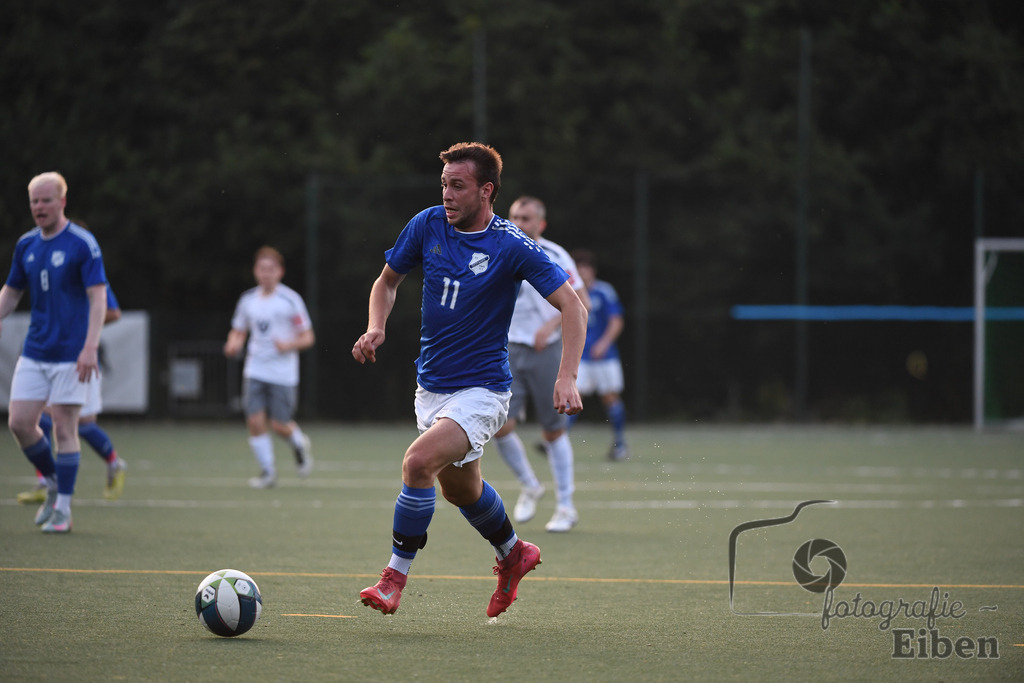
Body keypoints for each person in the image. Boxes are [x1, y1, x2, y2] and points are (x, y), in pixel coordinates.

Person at [351, 142, 587, 617]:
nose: (447, 195)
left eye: (457, 186)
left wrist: (567, 377)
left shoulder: (513, 244)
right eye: (443, 184)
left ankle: (393, 578)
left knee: (418, 463)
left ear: (487, 191)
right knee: (460, 490)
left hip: (483, 391)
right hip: (432, 387)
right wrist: (376, 326)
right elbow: (386, 282)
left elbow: (573, 307)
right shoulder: (427, 224)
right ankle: (514, 553)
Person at [0, 171, 108, 533]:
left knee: (64, 426)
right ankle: (52, 480)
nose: (39, 207)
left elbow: (98, 298)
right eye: (34, 201)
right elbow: (12, 293)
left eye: (46, 200)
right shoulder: (26, 245)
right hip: (35, 350)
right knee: (19, 423)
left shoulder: (83, 244)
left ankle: (63, 508)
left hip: (71, 354)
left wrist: (90, 347)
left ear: (62, 201)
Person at [493, 196, 589, 533]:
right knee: (499, 425)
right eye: (515, 216)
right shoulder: (498, 248)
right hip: (507, 349)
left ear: (541, 225)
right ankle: (530, 484)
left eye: (527, 218)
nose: (519, 222)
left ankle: (565, 505)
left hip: (546, 351)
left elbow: (581, 303)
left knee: (552, 430)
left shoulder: (556, 255)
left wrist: (549, 326)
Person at [17, 284, 127, 503]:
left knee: (83, 425)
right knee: (41, 419)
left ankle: (113, 464)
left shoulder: (90, 271)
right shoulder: (45, 269)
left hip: (80, 360)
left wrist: (77, 325)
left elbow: (114, 313)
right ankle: (46, 481)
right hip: (51, 360)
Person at [224, 246, 315, 488]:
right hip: (255, 369)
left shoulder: (290, 300)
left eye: (271, 269)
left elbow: (307, 337)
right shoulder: (247, 301)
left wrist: (288, 344)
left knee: (279, 425)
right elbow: (239, 330)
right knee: (254, 421)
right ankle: (268, 473)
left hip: (283, 374)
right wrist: (233, 344)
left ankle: (297, 442)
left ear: (280, 272)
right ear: (255, 271)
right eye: (262, 269)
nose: (266, 274)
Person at [571, 248, 630, 461]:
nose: (582, 273)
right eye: (578, 269)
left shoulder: (604, 291)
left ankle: (620, 444)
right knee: (572, 399)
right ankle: (558, 442)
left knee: (610, 398)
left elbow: (616, 320)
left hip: (605, 357)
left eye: (585, 268)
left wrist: (604, 343)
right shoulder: (570, 292)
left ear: (592, 271)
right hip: (581, 357)